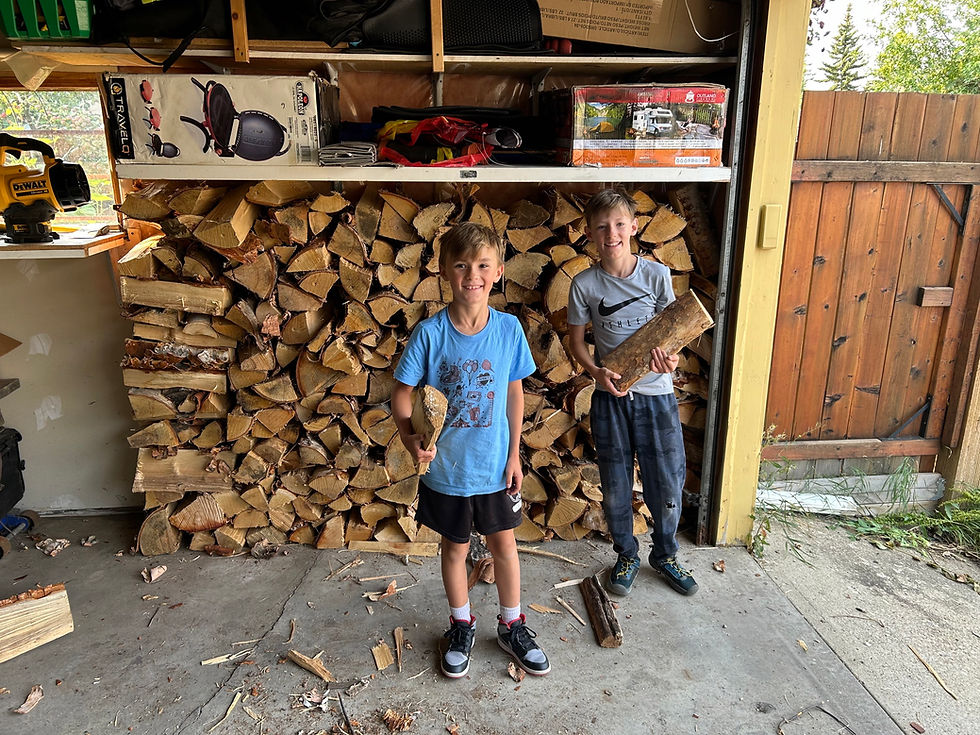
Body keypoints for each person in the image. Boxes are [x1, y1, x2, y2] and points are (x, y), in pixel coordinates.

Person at [391, 222, 551, 679]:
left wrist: (515, 453)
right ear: (444, 271)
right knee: (455, 547)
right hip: (448, 469)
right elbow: (401, 393)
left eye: (482, 265)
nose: (472, 275)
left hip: (494, 465)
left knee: (505, 544)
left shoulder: (507, 329)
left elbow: (514, 391)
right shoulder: (430, 334)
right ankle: (461, 625)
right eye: (461, 265)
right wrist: (410, 437)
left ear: (499, 271)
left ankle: (512, 623)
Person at [567, 189, 699, 598]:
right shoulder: (584, 284)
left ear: (635, 227)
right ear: (589, 232)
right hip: (612, 396)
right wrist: (594, 373)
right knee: (616, 483)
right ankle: (626, 553)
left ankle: (666, 553)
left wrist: (672, 362)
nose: (613, 233)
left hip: (657, 397)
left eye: (620, 224)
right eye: (603, 226)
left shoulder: (657, 275)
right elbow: (576, 342)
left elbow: (674, 335)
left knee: (667, 480)